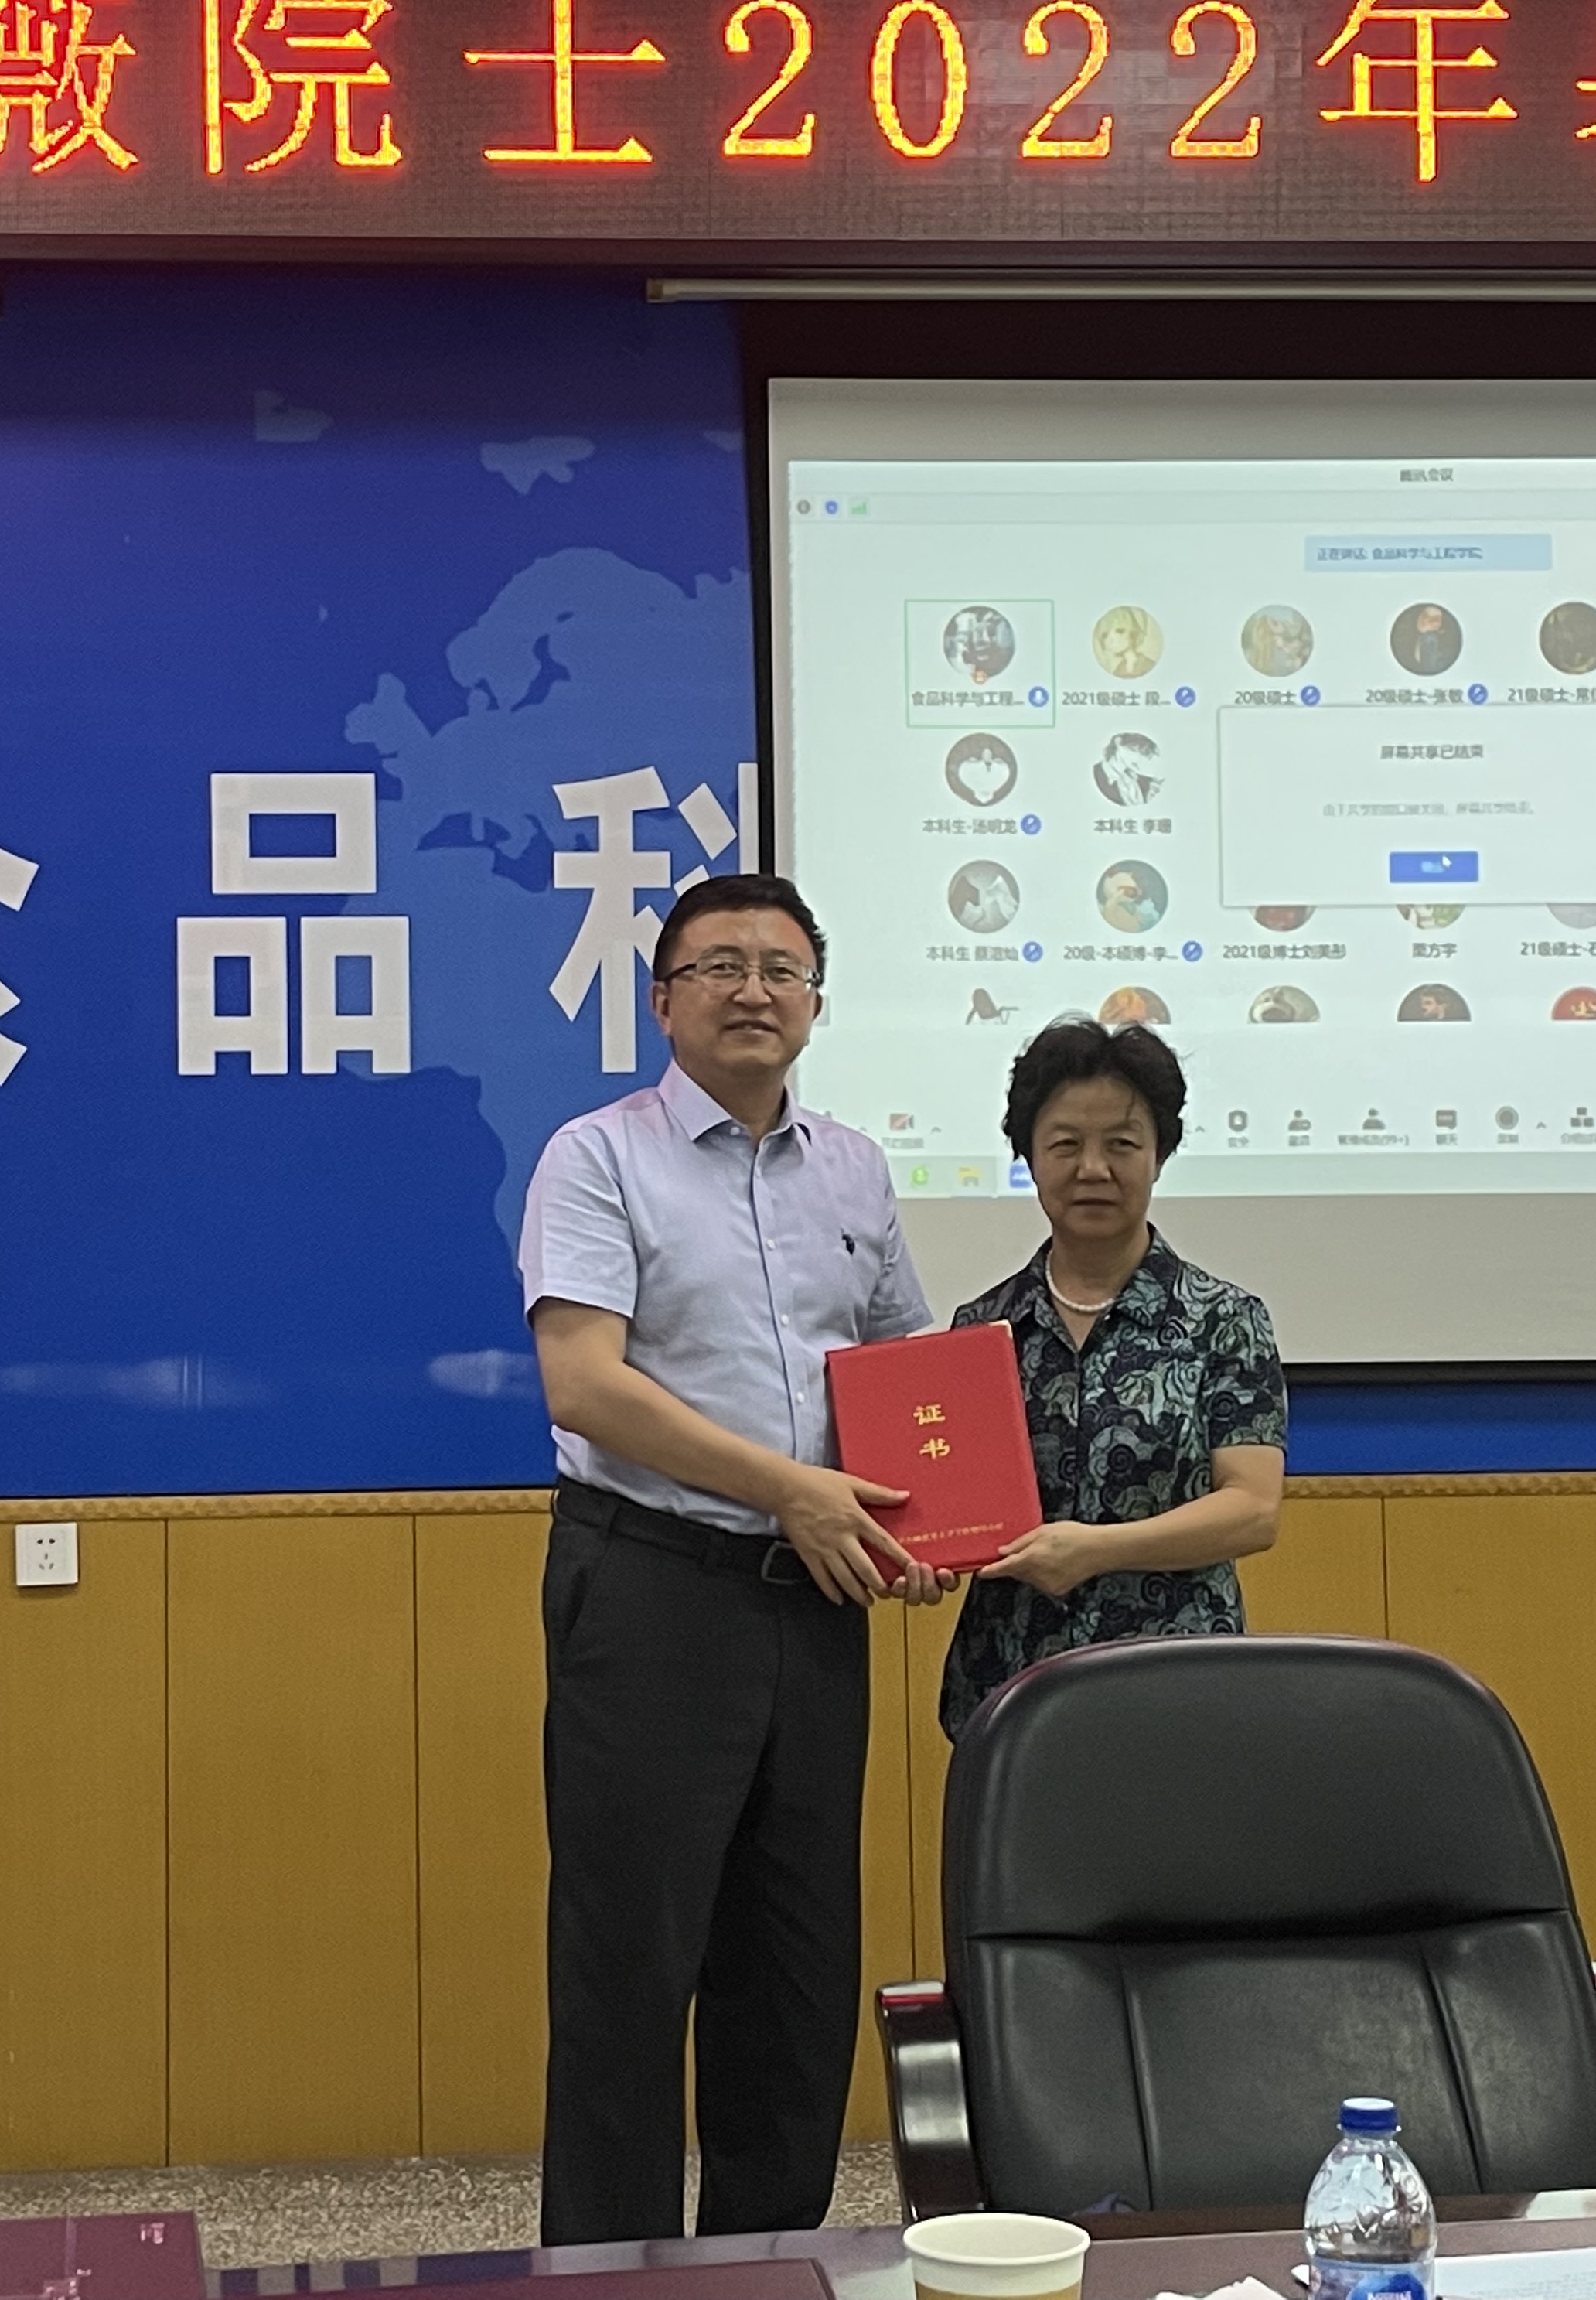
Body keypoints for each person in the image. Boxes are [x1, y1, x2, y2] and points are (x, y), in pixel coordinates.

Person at [519, 872, 946, 2245]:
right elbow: (585, 1383)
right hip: (650, 1588)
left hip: (812, 1602)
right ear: (662, 1000)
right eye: (719, 966)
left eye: (781, 967)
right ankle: (612, 2275)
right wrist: (794, 1492)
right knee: (629, 1971)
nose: (753, 989)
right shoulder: (598, 1156)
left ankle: (770, 2263)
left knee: (797, 1975)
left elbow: (901, 1367)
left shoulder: (854, 1167)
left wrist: (927, 1524)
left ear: (816, 1000)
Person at [938, 1019, 1284, 1739]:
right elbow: (957, 1508)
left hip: (1179, 1685)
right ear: (1028, 1156)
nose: (1092, 1168)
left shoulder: (1224, 1319)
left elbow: (1251, 1510)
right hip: (1011, 1686)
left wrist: (1095, 1551)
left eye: (1121, 1145)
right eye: (1065, 1144)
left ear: (1159, 1155)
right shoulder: (982, 1328)